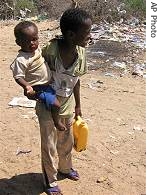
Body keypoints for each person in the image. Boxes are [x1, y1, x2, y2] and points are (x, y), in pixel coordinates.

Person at [35, 8, 92, 195]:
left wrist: (78, 104)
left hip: (67, 103)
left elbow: (76, 80)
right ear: (70, 34)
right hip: (48, 103)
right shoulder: (50, 51)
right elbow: (37, 76)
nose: (89, 37)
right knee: (49, 144)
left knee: (66, 140)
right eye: (86, 34)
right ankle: (50, 181)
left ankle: (65, 168)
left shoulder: (81, 53)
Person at [10, 21, 66, 131]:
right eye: (27, 41)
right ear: (18, 42)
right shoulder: (21, 60)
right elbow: (18, 76)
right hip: (40, 88)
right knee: (56, 105)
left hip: (49, 84)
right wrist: (26, 86)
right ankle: (57, 122)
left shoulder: (37, 50)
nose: (32, 43)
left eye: (35, 39)